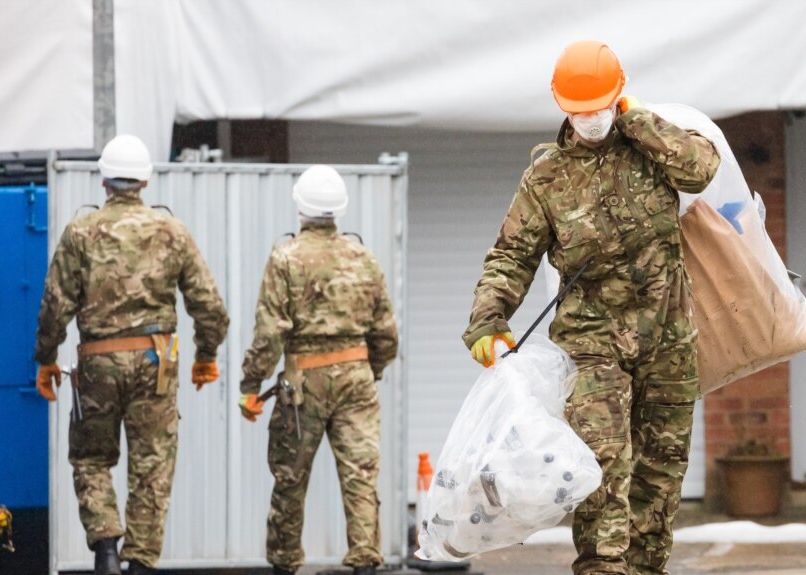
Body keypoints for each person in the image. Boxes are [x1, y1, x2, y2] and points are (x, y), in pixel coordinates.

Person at [463, 40, 720, 575]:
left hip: (668, 339)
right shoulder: (547, 177)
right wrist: (488, 320)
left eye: (600, 106)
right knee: (603, 465)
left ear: (618, 96)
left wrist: (642, 123)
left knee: (661, 470)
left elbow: (702, 168)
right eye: (581, 110)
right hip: (591, 343)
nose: (592, 118)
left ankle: (646, 568)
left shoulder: (652, 150)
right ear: (563, 107)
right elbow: (511, 255)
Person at [34, 135, 229, 575]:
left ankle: (105, 549)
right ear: (145, 180)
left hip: (98, 363)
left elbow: (54, 303)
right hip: (155, 364)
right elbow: (211, 308)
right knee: (152, 464)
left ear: (103, 181)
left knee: (90, 457)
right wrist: (205, 356)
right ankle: (140, 564)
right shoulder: (172, 232)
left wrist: (46, 358)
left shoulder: (81, 233)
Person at [237, 165, 399, 575]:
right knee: (360, 477)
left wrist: (250, 385)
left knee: (290, 480)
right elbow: (386, 333)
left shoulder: (285, 258)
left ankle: (285, 565)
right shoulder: (364, 257)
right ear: (339, 210)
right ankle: (365, 565)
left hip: (302, 385)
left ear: (300, 208)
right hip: (356, 379)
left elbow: (269, 332)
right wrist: (369, 370)